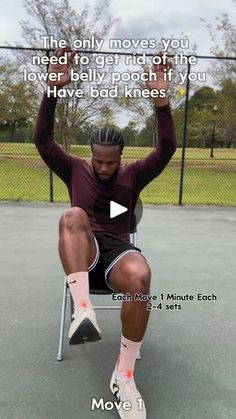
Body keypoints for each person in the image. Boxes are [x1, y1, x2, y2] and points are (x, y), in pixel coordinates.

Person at [34, 46, 176, 419]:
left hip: (115, 255)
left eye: (110, 162)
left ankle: (124, 376)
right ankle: (84, 311)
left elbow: (167, 149)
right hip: (83, 252)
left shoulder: (133, 173)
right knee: (73, 215)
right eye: (98, 160)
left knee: (141, 275)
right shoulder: (74, 168)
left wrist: (162, 105)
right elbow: (43, 142)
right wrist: (52, 91)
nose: (103, 168)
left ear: (120, 158)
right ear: (90, 154)